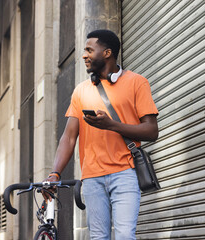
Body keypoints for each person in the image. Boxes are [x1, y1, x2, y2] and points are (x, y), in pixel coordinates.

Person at [43, 29, 159, 240]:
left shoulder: (137, 82)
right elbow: (69, 137)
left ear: (107, 53)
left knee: (125, 236)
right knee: (98, 238)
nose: (84, 55)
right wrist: (55, 173)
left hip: (126, 174)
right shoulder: (81, 91)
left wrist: (111, 125)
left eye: (89, 50)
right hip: (92, 178)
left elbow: (151, 130)